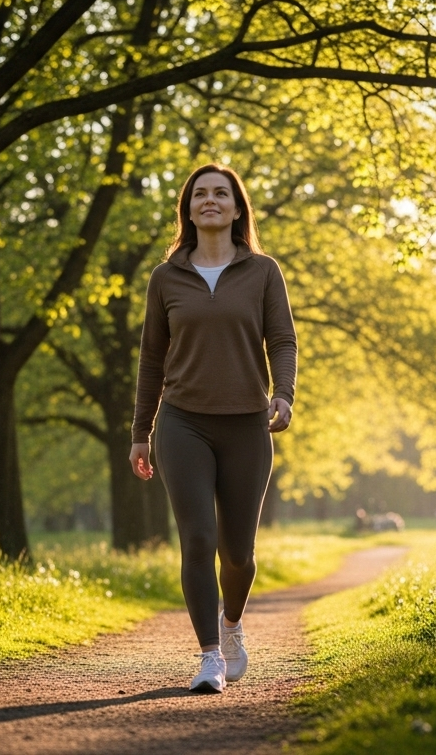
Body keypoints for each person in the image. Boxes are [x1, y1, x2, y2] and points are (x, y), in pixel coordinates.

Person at [129, 163, 297, 694]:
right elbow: (151, 359)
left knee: (239, 554)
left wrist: (284, 395)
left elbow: (282, 340)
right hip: (182, 424)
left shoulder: (263, 271)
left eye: (220, 193)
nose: (210, 200)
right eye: (200, 194)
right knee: (197, 539)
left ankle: (231, 628)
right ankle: (208, 657)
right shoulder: (166, 278)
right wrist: (140, 431)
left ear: (236, 207)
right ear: (188, 208)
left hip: (248, 425)